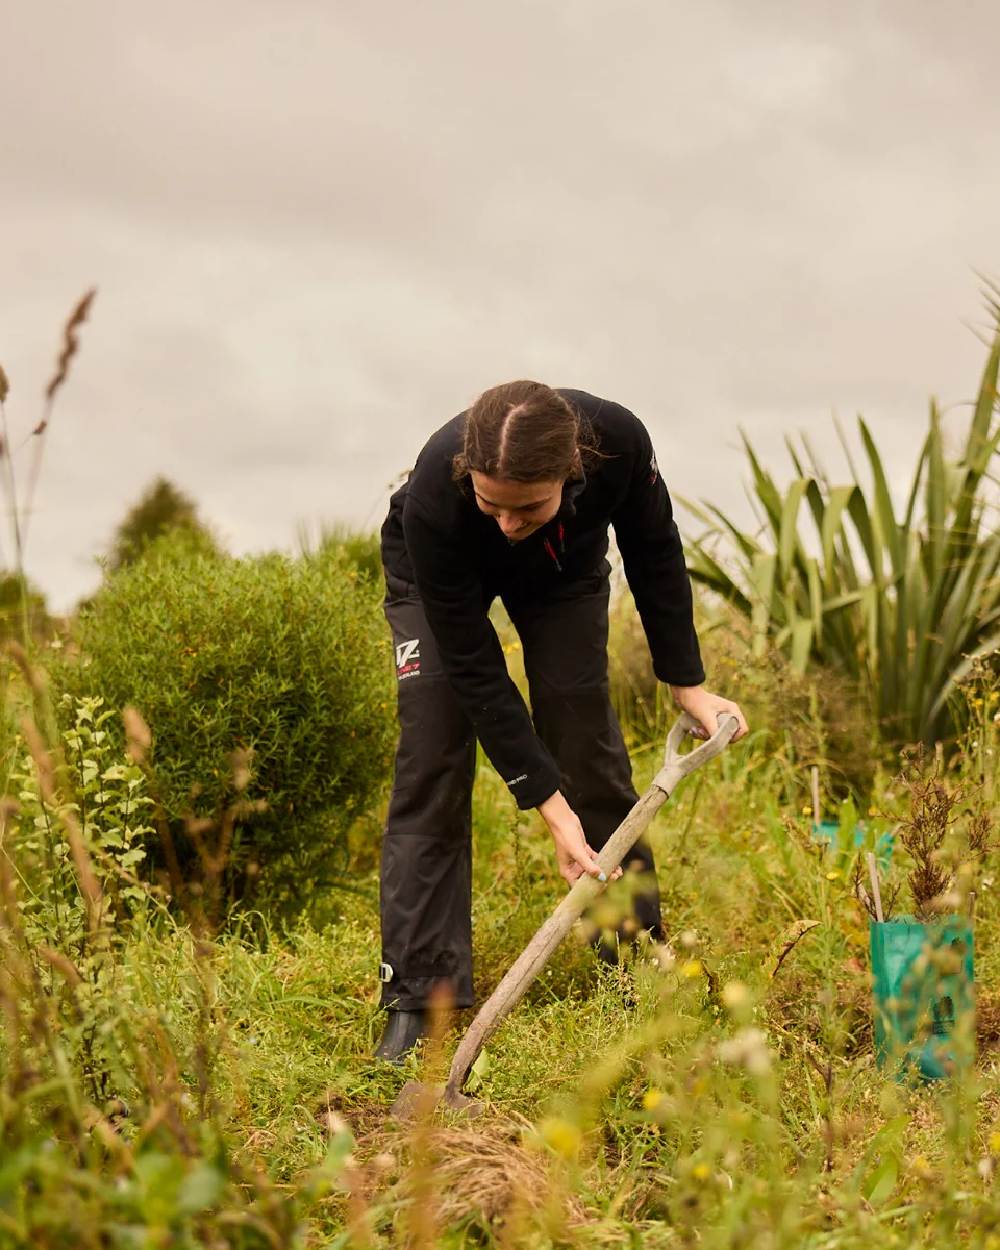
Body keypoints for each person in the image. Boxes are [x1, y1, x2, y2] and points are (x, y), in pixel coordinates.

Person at [375, 381, 747, 1060]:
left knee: (585, 739)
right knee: (433, 751)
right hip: (436, 583)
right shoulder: (436, 486)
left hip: (560, 574)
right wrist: (547, 804)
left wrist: (686, 683)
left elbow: (655, 551)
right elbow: (473, 662)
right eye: (491, 504)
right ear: (468, 478)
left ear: (571, 472)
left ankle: (629, 954)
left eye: (528, 507)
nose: (507, 524)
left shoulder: (621, 443)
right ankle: (418, 995)